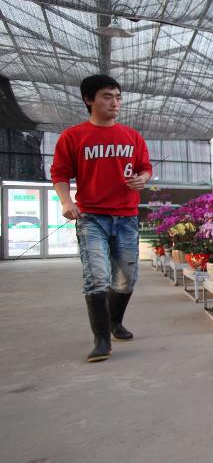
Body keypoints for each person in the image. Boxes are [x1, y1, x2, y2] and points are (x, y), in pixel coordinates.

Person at [50, 75, 152, 363]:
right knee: (96, 276)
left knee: (126, 279)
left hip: (126, 217)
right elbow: (59, 173)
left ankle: (115, 321)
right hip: (91, 217)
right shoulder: (74, 136)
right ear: (89, 99)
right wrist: (66, 201)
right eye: (107, 96)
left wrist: (142, 179)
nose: (115, 102)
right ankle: (101, 340)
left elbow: (145, 168)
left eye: (118, 97)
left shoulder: (132, 137)